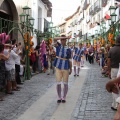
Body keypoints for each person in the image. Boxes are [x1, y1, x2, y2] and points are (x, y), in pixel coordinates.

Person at [53, 35, 72, 103]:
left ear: (66, 41)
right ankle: (59, 96)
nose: (63, 41)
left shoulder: (69, 49)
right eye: (62, 40)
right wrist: (64, 37)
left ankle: (64, 97)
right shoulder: (58, 46)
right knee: (58, 82)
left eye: (64, 40)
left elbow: (69, 60)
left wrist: (71, 69)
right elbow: (54, 38)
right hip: (58, 66)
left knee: (65, 83)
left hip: (66, 67)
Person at [107, 35, 120, 110]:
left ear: (116, 41)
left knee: (114, 86)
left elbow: (109, 61)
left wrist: (108, 70)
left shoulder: (112, 50)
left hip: (114, 69)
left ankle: (115, 104)